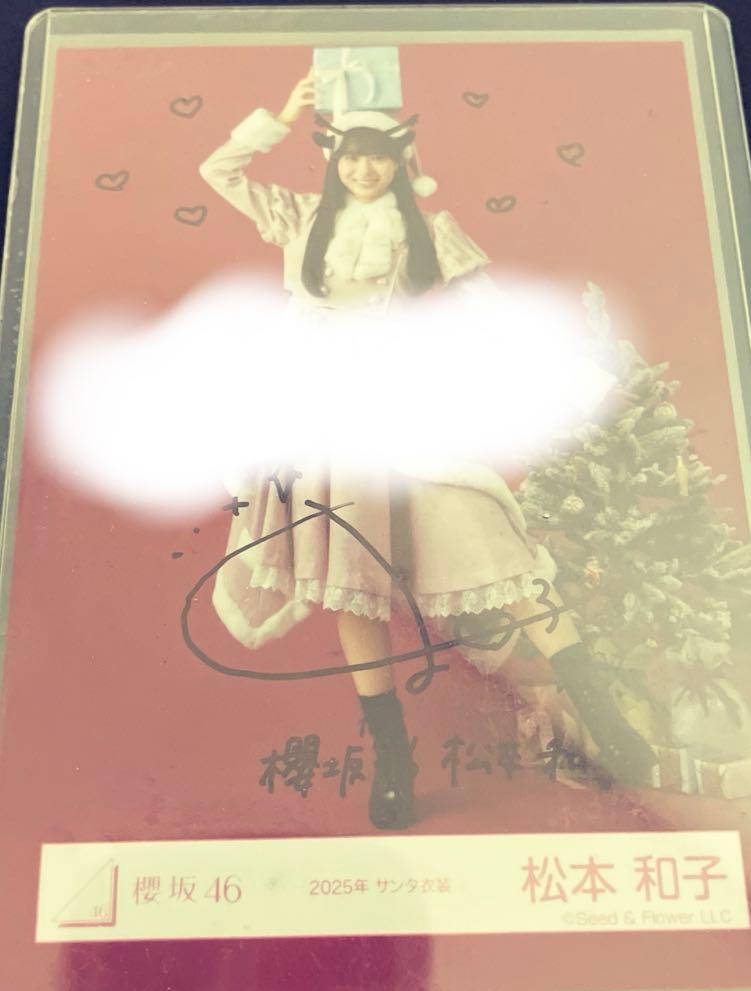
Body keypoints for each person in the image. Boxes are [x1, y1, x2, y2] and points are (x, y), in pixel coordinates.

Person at [200, 73, 657, 829]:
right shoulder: (299, 215)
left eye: (378, 156)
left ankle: (610, 725)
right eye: (352, 155)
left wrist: (582, 376)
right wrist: (279, 117)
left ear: (401, 160)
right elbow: (219, 171)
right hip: (321, 419)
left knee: (493, 549)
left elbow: (495, 313)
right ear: (333, 158)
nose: (364, 169)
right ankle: (394, 766)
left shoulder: (431, 229)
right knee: (349, 581)